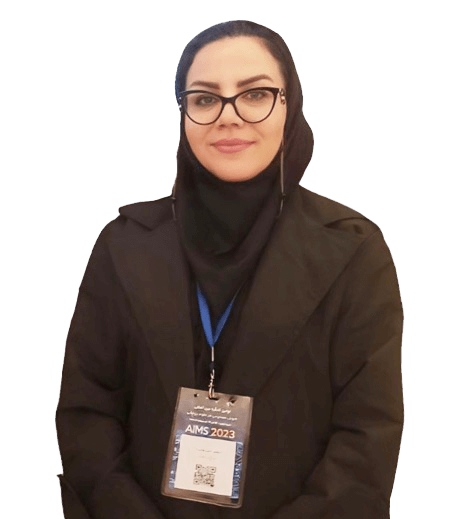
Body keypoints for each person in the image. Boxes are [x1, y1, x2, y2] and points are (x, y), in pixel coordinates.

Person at [56, 20, 404, 519]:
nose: (228, 116)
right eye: (204, 99)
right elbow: (88, 412)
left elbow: (366, 436)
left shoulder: (354, 249)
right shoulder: (124, 244)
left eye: (255, 94)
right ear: (184, 115)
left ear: (290, 105)